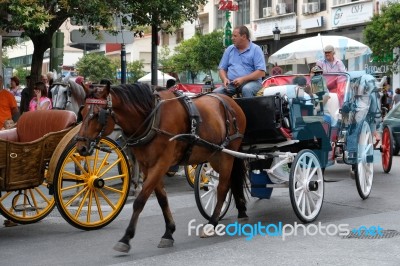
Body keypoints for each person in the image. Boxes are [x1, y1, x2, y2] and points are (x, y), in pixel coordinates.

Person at [213, 25, 266, 98]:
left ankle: (249, 109)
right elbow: (222, 69)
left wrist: (243, 79)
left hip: (252, 83)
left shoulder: (256, 49)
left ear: (244, 37)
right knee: (215, 94)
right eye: (232, 36)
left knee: (247, 89)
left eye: (235, 36)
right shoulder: (229, 49)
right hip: (232, 84)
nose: (232, 38)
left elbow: (261, 72)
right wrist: (224, 79)